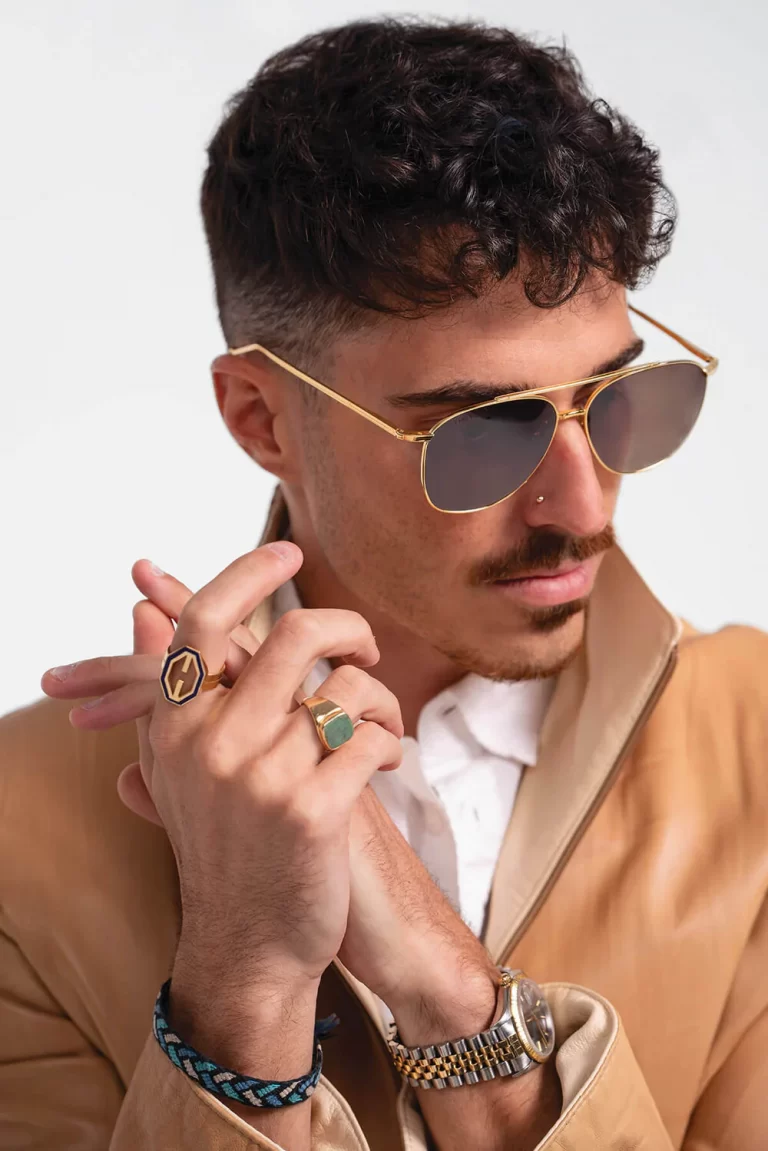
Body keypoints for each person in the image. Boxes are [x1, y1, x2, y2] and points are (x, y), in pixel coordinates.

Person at [1, 16, 765, 1151]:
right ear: (260, 416)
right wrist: (244, 980)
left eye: (617, 402)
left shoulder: (758, 744)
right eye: (483, 432)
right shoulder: (20, 825)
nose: (583, 506)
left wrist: (446, 986)